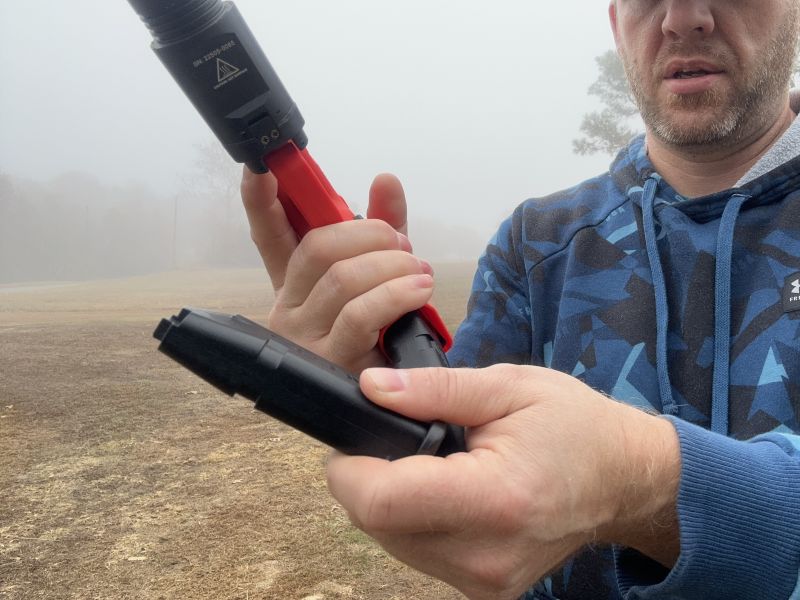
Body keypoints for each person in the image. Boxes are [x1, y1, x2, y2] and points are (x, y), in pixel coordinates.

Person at [240, 1, 800, 598]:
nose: (683, 17)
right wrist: (378, 401)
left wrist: (644, 481)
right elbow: (462, 462)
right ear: (616, 23)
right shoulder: (536, 242)